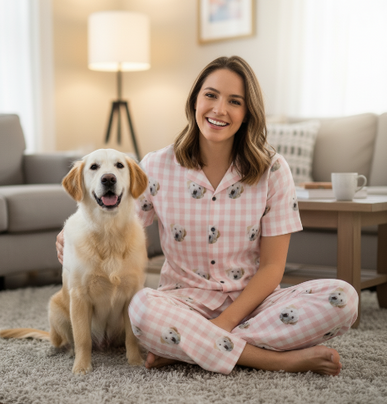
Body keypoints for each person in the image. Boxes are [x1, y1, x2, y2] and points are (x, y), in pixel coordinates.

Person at [57, 56, 358, 376]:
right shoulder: (156, 166)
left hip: (254, 305)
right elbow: (114, 218)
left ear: (247, 113)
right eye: (211, 95)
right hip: (180, 304)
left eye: (234, 101)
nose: (219, 109)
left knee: (344, 298)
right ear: (195, 101)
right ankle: (278, 360)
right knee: (141, 307)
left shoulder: (274, 170)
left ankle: (184, 348)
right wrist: (71, 234)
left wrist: (221, 324)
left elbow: (272, 267)